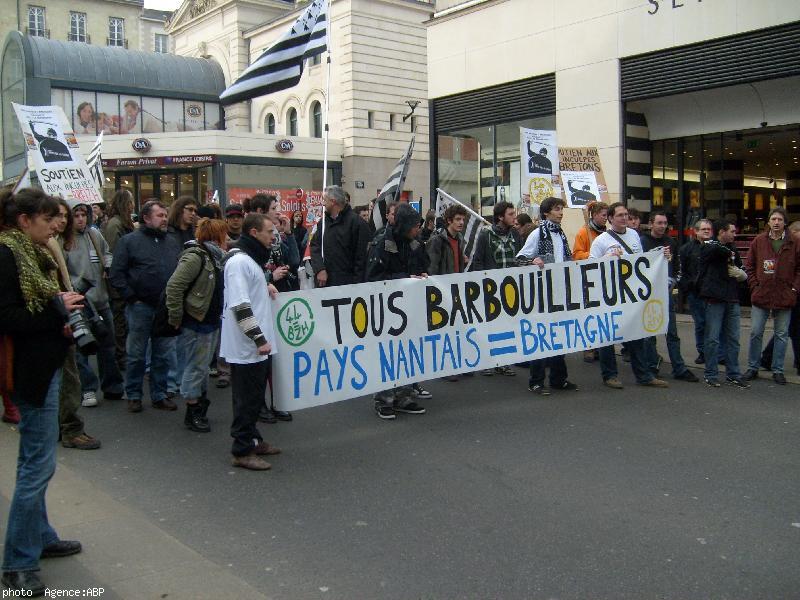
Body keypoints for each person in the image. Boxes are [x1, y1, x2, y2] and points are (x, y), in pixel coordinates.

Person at [0, 187, 84, 596]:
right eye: (50, 218)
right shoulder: (7, 254)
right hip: (29, 371)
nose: (58, 224)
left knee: (36, 461)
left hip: (45, 364)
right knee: (36, 466)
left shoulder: (31, 253)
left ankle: (41, 535)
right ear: (23, 220)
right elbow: (8, 316)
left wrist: (61, 312)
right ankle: (17, 562)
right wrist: (58, 309)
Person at [220, 213, 281, 470]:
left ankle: (253, 439)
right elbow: (239, 305)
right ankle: (242, 449)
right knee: (246, 399)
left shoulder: (251, 261)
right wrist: (258, 338)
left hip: (258, 346)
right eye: (269, 232)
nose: (273, 237)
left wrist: (265, 286)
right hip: (248, 347)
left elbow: (249, 292)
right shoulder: (239, 262)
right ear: (254, 233)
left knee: (256, 397)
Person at [109, 200, 181, 413]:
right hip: (140, 306)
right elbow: (116, 273)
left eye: (165, 214)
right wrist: (131, 297)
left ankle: (159, 394)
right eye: (159, 215)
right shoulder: (129, 241)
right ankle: (133, 394)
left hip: (165, 307)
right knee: (137, 354)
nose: (165, 218)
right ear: (146, 218)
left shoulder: (172, 241)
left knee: (162, 354)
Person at [589, 202, 668, 389]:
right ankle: (610, 375)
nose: (625, 218)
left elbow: (640, 260)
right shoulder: (601, 241)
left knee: (635, 334)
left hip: (629, 293)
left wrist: (659, 256)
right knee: (608, 336)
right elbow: (591, 266)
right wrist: (606, 259)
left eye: (626, 215)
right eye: (620, 215)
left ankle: (644, 375)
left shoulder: (633, 235)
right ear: (610, 218)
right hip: (610, 295)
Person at [366, 203, 429, 419]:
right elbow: (373, 278)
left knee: (407, 352)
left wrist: (421, 277)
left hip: (408, 308)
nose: (417, 229)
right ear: (403, 225)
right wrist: (404, 280)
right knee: (386, 354)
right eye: (414, 226)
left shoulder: (414, 244)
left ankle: (404, 395)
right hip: (386, 309)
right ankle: (383, 399)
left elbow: (421, 267)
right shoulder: (382, 244)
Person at [48, 200, 101, 451]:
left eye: (64, 216)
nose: (62, 221)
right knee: (66, 375)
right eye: (56, 216)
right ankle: (67, 428)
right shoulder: (44, 243)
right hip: (55, 315)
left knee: (69, 374)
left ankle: (66, 426)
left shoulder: (55, 241)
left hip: (67, 311)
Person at [166, 218, 227, 432]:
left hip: (209, 321)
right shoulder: (196, 257)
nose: (227, 239)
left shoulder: (216, 257)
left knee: (200, 367)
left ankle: (199, 404)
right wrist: (175, 317)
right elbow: (174, 287)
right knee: (195, 366)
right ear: (216, 236)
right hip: (196, 321)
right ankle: (193, 411)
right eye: (223, 235)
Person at [516, 197, 579, 395]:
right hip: (543, 293)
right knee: (542, 336)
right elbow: (519, 259)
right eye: (557, 209)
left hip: (559, 292)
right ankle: (536, 381)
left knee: (559, 336)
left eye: (561, 209)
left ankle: (558, 379)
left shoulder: (560, 234)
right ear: (546, 213)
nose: (561, 212)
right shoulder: (537, 234)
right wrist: (532, 261)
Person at [66, 204, 125, 407]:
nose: (81, 219)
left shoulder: (94, 234)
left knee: (107, 345)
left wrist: (108, 264)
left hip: (101, 299)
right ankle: (88, 389)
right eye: (76, 215)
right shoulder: (64, 240)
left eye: (84, 215)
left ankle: (112, 386)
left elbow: (107, 253)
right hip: (80, 302)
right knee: (83, 348)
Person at [743, 207, 800, 385]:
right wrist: (754, 285)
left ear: (785, 223)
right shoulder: (759, 241)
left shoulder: (795, 242)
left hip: (784, 295)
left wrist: (794, 289)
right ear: (768, 222)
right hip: (762, 294)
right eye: (773, 219)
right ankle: (753, 367)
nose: (776, 222)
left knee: (781, 334)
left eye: (780, 220)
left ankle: (778, 370)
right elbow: (749, 265)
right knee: (755, 332)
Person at [640, 210, 698, 383]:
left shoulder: (670, 242)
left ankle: (678, 367)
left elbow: (676, 265)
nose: (663, 226)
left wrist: (672, 280)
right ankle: (651, 366)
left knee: (671, 332)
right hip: (649, 294)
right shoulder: (643, 242)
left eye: (665, 223)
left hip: (665, 293)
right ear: (651, 224)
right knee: (649, 333)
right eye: (659, 223)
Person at [698, 220, 749, 388]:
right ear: (722, 232)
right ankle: (711, 373)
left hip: (732, 298)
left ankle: (733, 373)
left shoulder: (732, 248)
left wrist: (742, 274)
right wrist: (728, 252)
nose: (735, 235)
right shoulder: (710, 247)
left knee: (733, 338)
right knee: (712, 338)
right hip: (715, 298)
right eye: (732, 232)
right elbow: (713, 250)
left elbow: (740, 267)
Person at [760, 220, 800, 374]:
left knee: (788, 329)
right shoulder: (788, 248)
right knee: (792, 329)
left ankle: (767, 358)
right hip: (791, 293)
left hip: (791, 292)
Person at [310, 185, 371, 287]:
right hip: (325, 283)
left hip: (348, 283)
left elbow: (361, 258)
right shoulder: (323, 223)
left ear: (333, 201)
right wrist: (319, 269)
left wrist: (357, 285)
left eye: (325, 200)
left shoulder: (357, 223)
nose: (323, 203)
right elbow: (314, 245)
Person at [102, 189, 135, 372]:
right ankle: (121, 355)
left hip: (125, 277)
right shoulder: (115, 224)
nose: (132, 206)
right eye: (130, 202)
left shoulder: (122, 223)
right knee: (120, 319)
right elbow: (114, 254)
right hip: (120, 279)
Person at [572, 201, 608, 362]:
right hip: (588, 279)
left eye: (607, 215)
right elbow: (576, 255)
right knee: (589, 314)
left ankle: (601, 346)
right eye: (603, 215)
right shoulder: (583, 232)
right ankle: (588, 347)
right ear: (594, 215)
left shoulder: (607, 233)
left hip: (603, 279)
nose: (606, 218)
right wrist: (593, 254)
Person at [679, 219, 715, 364]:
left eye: (709, 229)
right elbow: (682, 271)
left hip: (713, 293)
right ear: (696, 231)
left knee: (713, 325)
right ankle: (702, 352)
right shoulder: (686, 249)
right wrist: (689, 286)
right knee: (700, 324)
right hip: (696, 293)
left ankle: (716, 353)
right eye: (703, 229)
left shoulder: (716, 248)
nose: (706, 231)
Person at [472, 201, 520, 271]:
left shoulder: (515, 233)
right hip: (492, 280)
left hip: (512, 280)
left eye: (514, 214)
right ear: (500, 217)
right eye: (510, 214)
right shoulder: (486, 234)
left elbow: (519, 257)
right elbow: (478, 262)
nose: (514, 217)